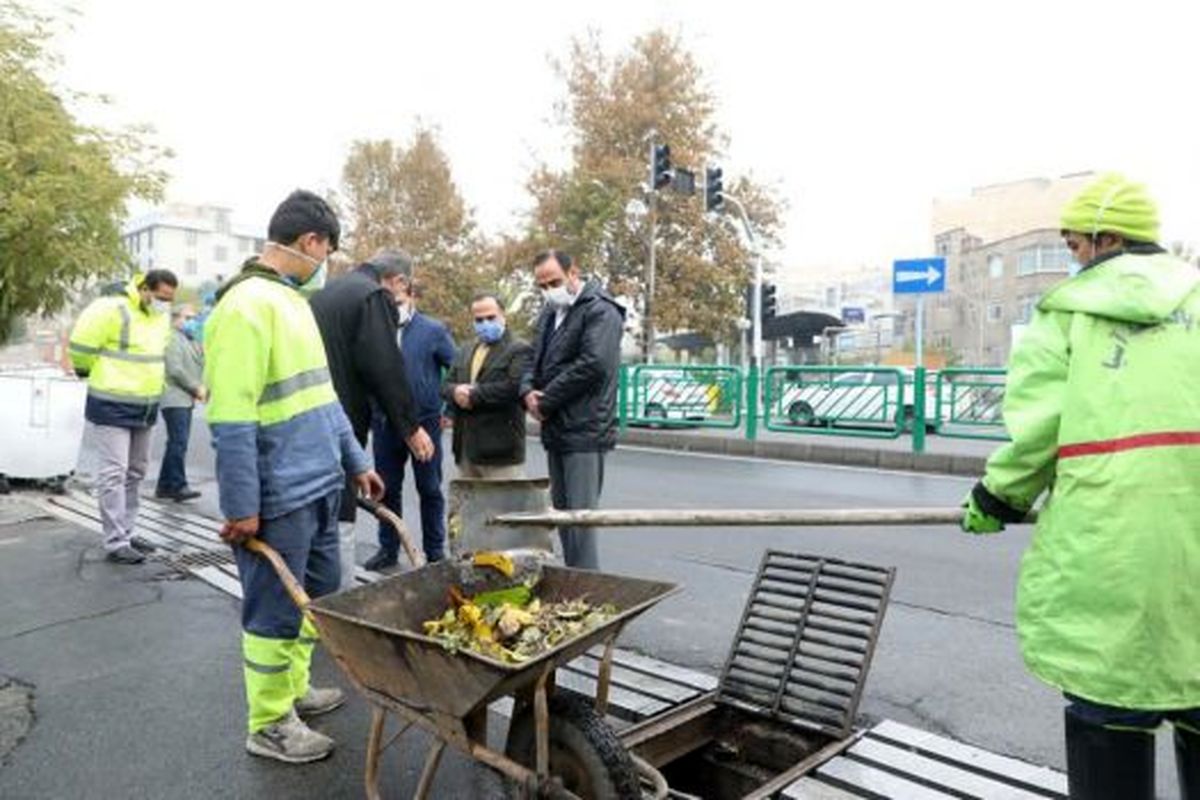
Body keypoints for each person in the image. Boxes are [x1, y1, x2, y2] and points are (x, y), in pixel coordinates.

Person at [961, 173, 1200, 800]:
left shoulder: (1068, 316)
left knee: (1109, 710)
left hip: (1109, 557)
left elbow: (1037, 435)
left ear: (1107, 239)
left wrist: (996, 499)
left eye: (1073, 246)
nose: (1073, 259)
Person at [204, 190, 384, 764]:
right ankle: (268, 721)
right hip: (277, 494)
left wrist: (356, 462)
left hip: (319, 484)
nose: (326, 264)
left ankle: (294, 690)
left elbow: (323, 397)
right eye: (327, 251)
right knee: (274, 612)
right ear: (310, 243)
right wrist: (241, 506)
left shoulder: (291, 305)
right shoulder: (244, 307)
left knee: (318, 597)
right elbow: (230, 419)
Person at [309, 249, 434, 588]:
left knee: (316, 513)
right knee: (341, 515)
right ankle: (339, 602)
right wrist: (410, 426)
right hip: (343, 421)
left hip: (308, 418)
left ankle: (312, 595)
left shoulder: (326, 294)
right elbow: (384, 366)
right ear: (399, 282)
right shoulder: (373, 296)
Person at [520, 250, 624, 569]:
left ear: (573, 273)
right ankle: (574, 585)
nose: (549, 288)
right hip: (557, 428)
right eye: (542, 284)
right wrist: (526, 392)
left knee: (581, 521)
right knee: (564, 516)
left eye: (554, 281)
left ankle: (588, 593)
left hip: (585, 430)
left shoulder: (601, 310)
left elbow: (593, 364)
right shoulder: (550, 314)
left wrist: (545, 400)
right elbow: (530, 358)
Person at [68, 270, 177, 564]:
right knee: (114, 472)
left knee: (136, 472)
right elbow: (80, 346)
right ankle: (116, 542)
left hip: (146, 405)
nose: (165, 304)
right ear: (144, 289)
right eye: (162, 298)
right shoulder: (110, 308)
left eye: (169, 300)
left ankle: (127, 532)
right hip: (111, 403)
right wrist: (87, 370)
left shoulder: (159, 318)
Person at [365, 269, 456, 569]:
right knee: (387, 489)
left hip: (425, 423)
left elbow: (455, 369)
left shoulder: (433, 330)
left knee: (429, 488)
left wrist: (448, 409)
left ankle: (434, 552)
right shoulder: (377, 331)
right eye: (389, 301)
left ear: (411, 295)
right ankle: (388, 549)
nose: (395, 305)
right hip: (385, 424)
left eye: (399, 299)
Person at [442, 292, 533, 478]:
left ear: (503, 315)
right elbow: (445, 385)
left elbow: (514, 387)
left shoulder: (519, 349)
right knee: (467, 507)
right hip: (466, 452)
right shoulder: (466, 349)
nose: (485, 324)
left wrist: (472, 395)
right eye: (479, 319)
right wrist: (455, 391)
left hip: (501, 454)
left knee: (504, 507)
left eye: (491, 318)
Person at [154, 304, 205, 502]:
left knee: (176, 442)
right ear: (176, 318)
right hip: (174, 397)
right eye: (189, 317)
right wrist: (195, 387)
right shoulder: (173, 338)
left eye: (195, 317)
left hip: (184, 398)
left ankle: (165, 486)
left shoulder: (190, 340)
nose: (193, 321)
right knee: (178, 443)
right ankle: (178, 485)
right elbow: (175, 369)